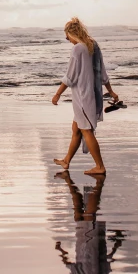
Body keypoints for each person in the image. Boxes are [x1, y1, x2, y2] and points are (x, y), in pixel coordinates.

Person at [54, 171, 125, 274]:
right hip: (88, 244)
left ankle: (76, 183)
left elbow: (106, 261)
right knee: (83, 214)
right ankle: (91, 184)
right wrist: (61, 251)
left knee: (83, 214)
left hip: (88, 244)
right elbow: (73, 267)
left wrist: (117, 243)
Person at [52, 17, 119, 175]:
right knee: (76, 129)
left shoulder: (78, 49)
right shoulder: (93, 45)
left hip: (83, 98)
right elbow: (102, 72)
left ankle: (100, 167)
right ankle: (66, 160)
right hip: (93, 95)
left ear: (72, 33)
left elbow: (70, 77)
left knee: (86, 130)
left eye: (67, 34)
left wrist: (57, 94)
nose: (66, 38)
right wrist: (110, 91)